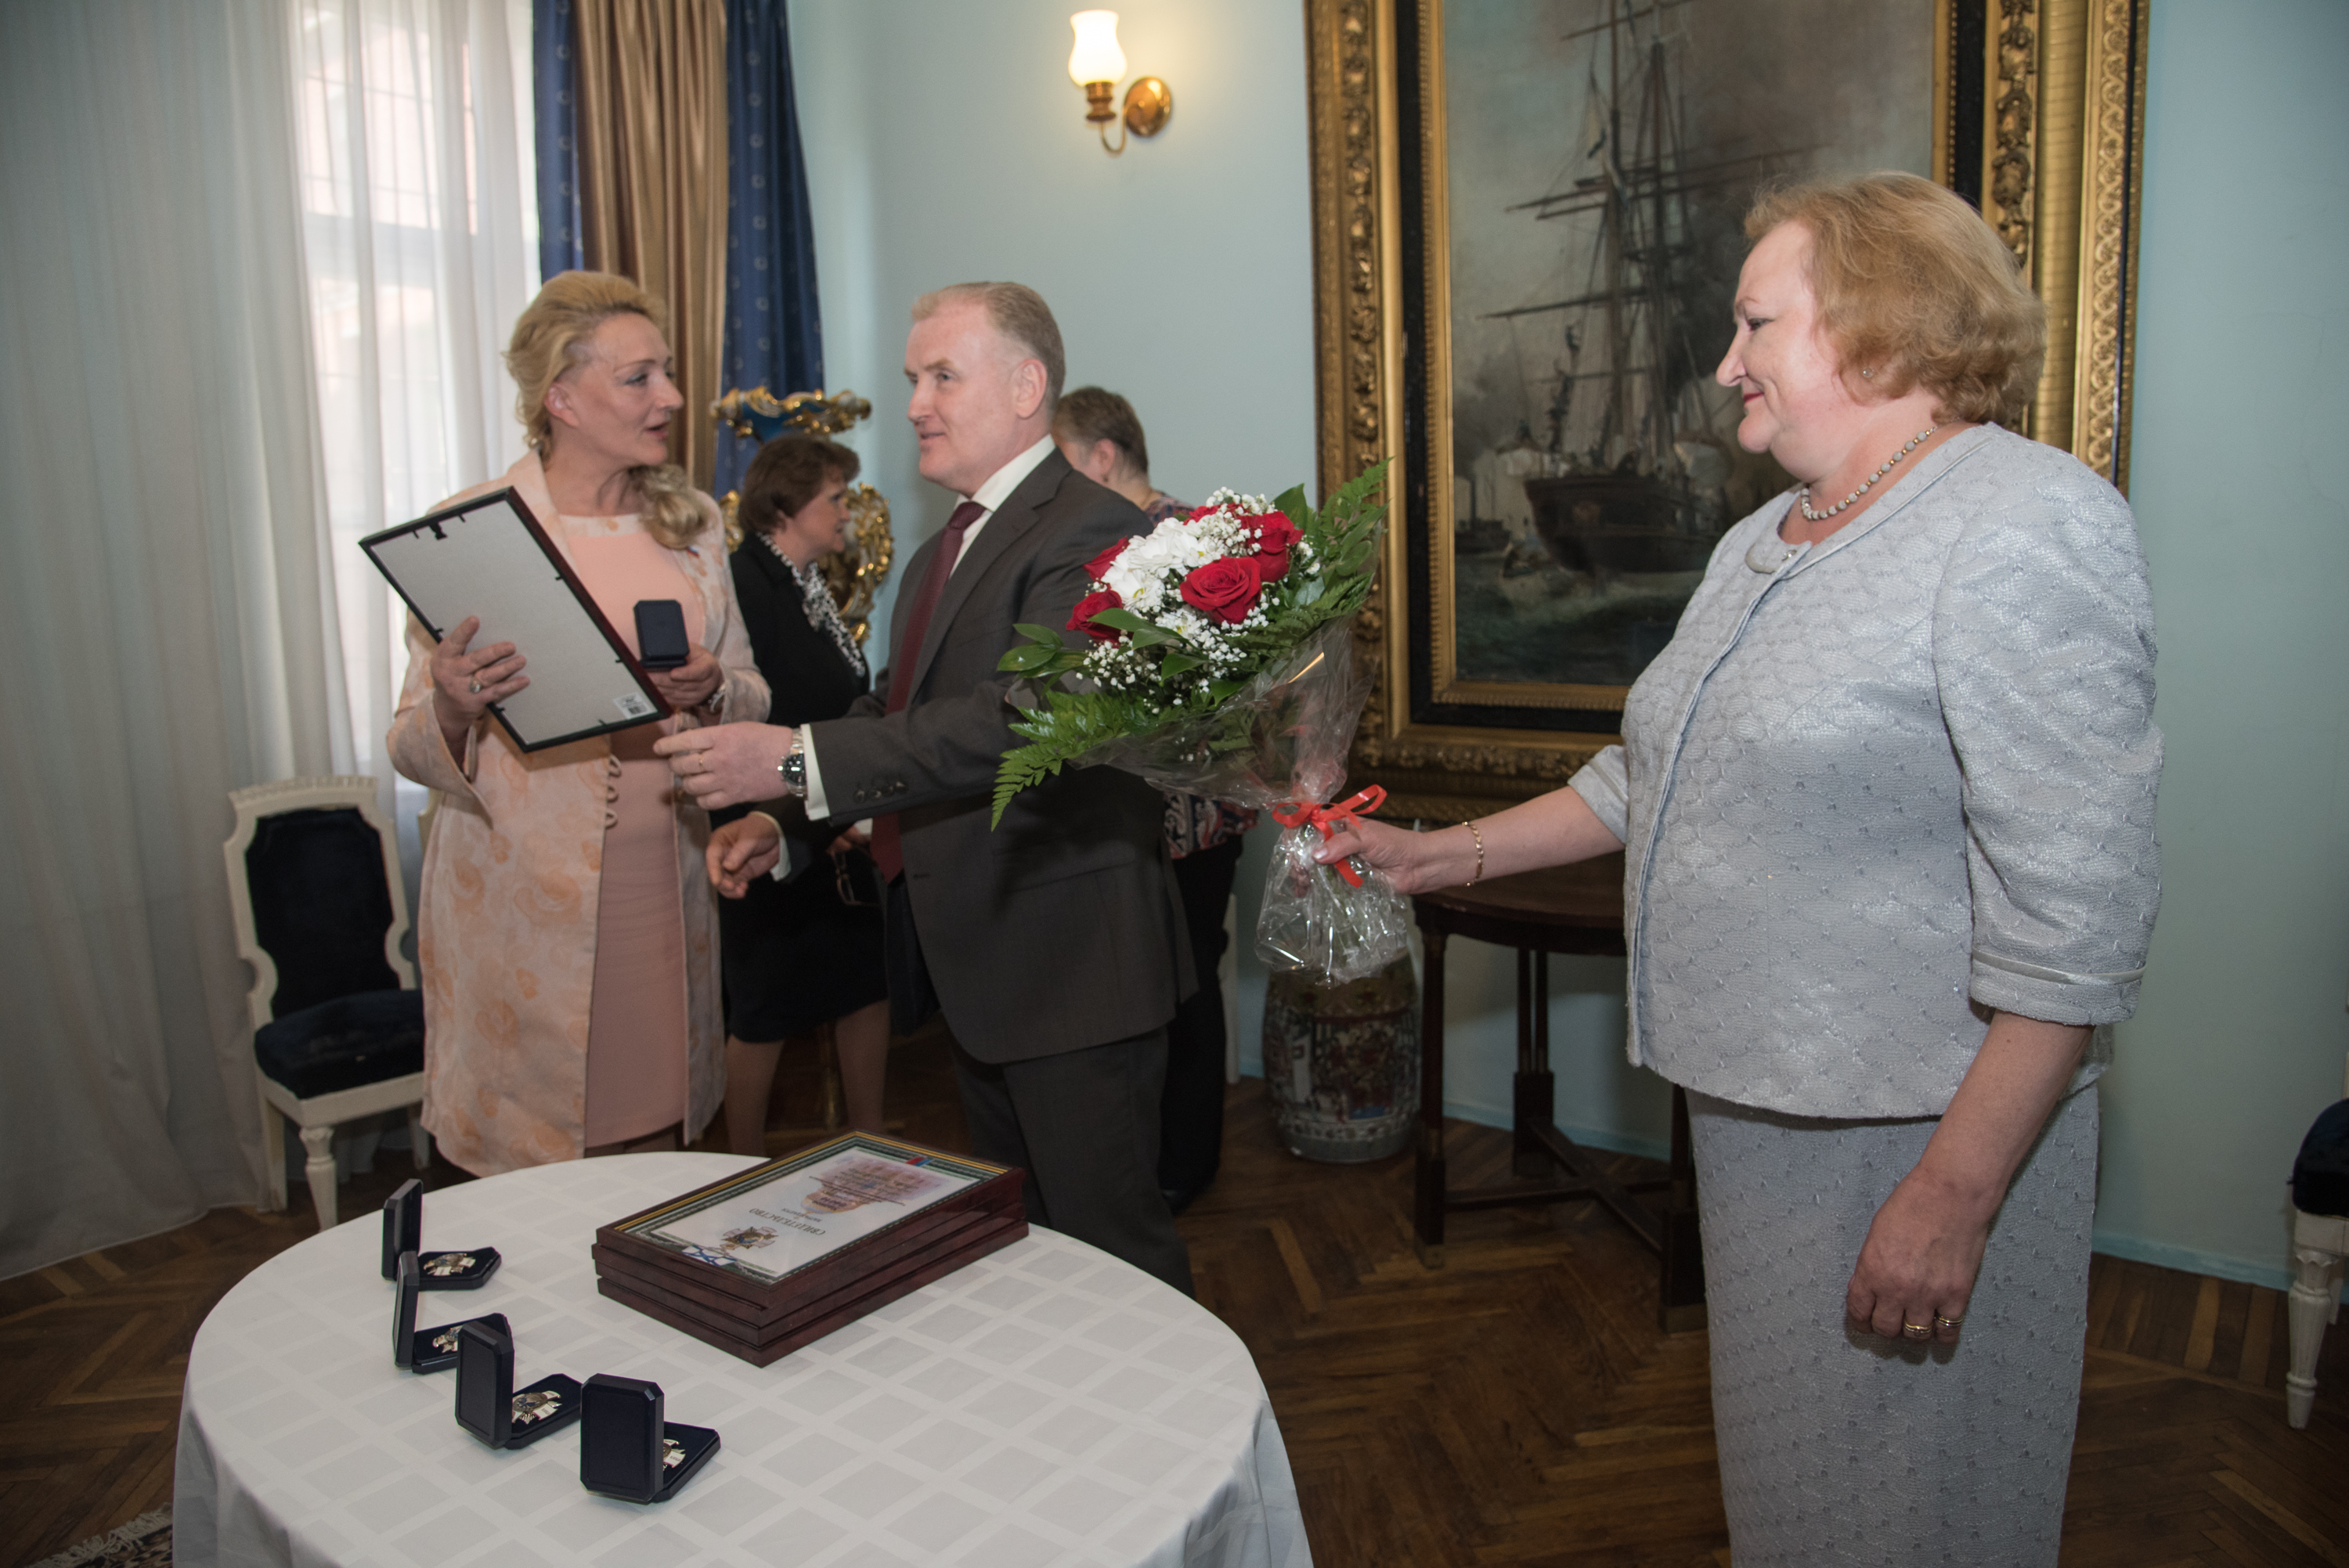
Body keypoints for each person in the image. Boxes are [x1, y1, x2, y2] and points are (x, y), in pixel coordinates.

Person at [1314, 173, 2161, 1565]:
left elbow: (2079, 924)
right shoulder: (1759, 538)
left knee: (1917, 1508)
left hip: (1919, 1131)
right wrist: (1437, 850)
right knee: (1799, 1500)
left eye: (1756, 322)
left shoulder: (2023, 521)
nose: (1726, 363)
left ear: (1879, 325)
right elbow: (1647, 773)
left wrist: (1952, 1196)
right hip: (1760, 1121)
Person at [656, 283, 1196, 1294]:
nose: (914, 404)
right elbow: (895, 712)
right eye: (914, 378)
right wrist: (787, 822)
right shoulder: (947, 547)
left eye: (943, 376)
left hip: (1074, 968)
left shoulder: (1092, 529)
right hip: (987, 968)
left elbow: (1024, 717)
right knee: (1035, 1257)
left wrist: (792, 757)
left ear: (1027, 386)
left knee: (1119, 1264)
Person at [389, 271, 769, 1174]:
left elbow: (754, 693)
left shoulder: (692, 527)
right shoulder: (472, 530)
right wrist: (453, 703)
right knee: (531, 1169)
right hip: (520, 902)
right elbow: (409, 743)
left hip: (665, 889)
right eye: (640, 377)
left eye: (666, 371)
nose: (671, 396)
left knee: (653, 1150)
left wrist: (714, 686)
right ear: (560, 396)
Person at [1053, 386, 1255, 1213]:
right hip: (1152, 814)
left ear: (1103, 457)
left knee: (1184, 984)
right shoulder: (1170, 534)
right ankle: (1160, 1157)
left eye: (1063, 461)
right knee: (1160, 983)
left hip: (1185, 813)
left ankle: (1182, 1160)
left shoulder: (1173, 542)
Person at [717, 434, 891, 1151]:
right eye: (836, 498)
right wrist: (799, 811)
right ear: (787, 506)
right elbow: (750, 717)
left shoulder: (808, 584)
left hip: (833, 821)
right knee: (766, 1007)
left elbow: (841, 701)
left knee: (864, 985)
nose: (848, 511)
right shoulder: (744, 583)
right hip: (765, 826)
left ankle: (870, 1142)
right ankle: (739, 1163)